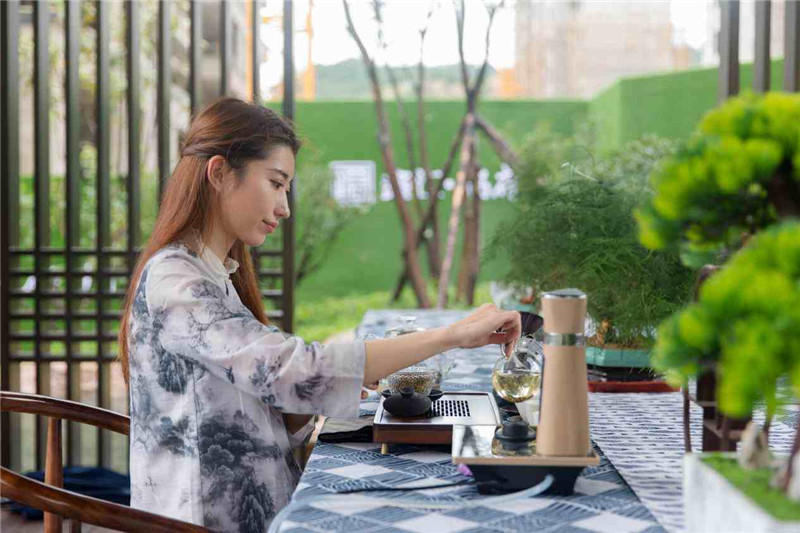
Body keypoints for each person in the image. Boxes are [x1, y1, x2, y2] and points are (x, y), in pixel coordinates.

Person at [117, 97, 521, 532]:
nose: (284, 207)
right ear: (219, 173)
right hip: (205, 519)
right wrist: (453, 335)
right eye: (276, 183)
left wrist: (329, 386)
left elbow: (270, 389)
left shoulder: (214, 274)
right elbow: (291, 370)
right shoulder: (176, 282)